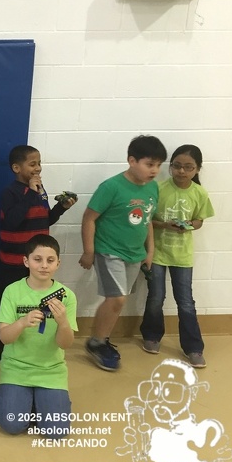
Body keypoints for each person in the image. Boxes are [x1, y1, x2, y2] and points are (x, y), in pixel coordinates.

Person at [79, 134, 167, 371]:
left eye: (158, 165)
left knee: (119, 300)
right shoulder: (111, 187)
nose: (155, 170)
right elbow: (89, 218)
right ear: (132, 161)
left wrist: (150, 250)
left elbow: (147, 219)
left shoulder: (153, 188)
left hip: (135, 254)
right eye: (150, 164)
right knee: (117, 298)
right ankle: (96, 342)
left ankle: (102, 339)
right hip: (109, 251)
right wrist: (89, 251)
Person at [0, 145, 77, 362]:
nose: (38, 168)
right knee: (7, 304)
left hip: (36, 262)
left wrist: (61, 208)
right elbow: (12, 221)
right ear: (16, 168)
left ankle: (30, 343)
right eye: (32, 164)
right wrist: (31, 192)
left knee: (33, 302)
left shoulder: (39, 190)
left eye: (39, 163)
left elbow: (45, 219)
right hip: (13, 262)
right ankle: (0, 347)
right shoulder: (11, 192)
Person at [0, 235, 77, 438]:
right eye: (37, 259)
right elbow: (4, 338)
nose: (44, 266)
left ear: (58, 263)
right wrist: (22, 322)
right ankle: (26, 401)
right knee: (12, 425)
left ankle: (42, 403)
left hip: (51, 371)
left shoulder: (67, 296)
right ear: (26, 261)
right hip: (16, 369)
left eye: (50, 260)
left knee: (56, 432)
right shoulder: (12, 291)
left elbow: (65, 344)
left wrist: (63, 323)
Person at [140, 145, 214, 368]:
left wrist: (189, 225)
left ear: (197, 169)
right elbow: (147, 219)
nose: (182, 171)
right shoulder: (158, 188)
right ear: (170, 166)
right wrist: (164, 225)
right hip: (157, 253)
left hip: (183, 256)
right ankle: (151, 336)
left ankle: (193, 347)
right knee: (156, 297)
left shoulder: (199, 193)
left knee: (186, 301)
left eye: (188, 167)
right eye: (177, 166)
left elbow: (200, 220)